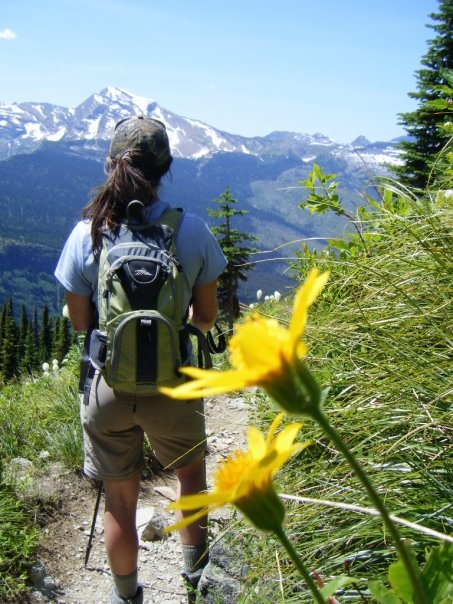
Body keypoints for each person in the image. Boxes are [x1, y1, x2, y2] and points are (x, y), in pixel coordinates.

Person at [55, 115, 227, 604]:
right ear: (165, 168)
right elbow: (207, 318)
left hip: (109, 387)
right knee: (190, 477)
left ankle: (126, 596)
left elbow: (80, 323)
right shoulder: (190, 229)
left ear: (111, 165)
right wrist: (171, 331)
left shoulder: (87, 234)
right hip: (173, 385)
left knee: (120, 499)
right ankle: (197, 584)